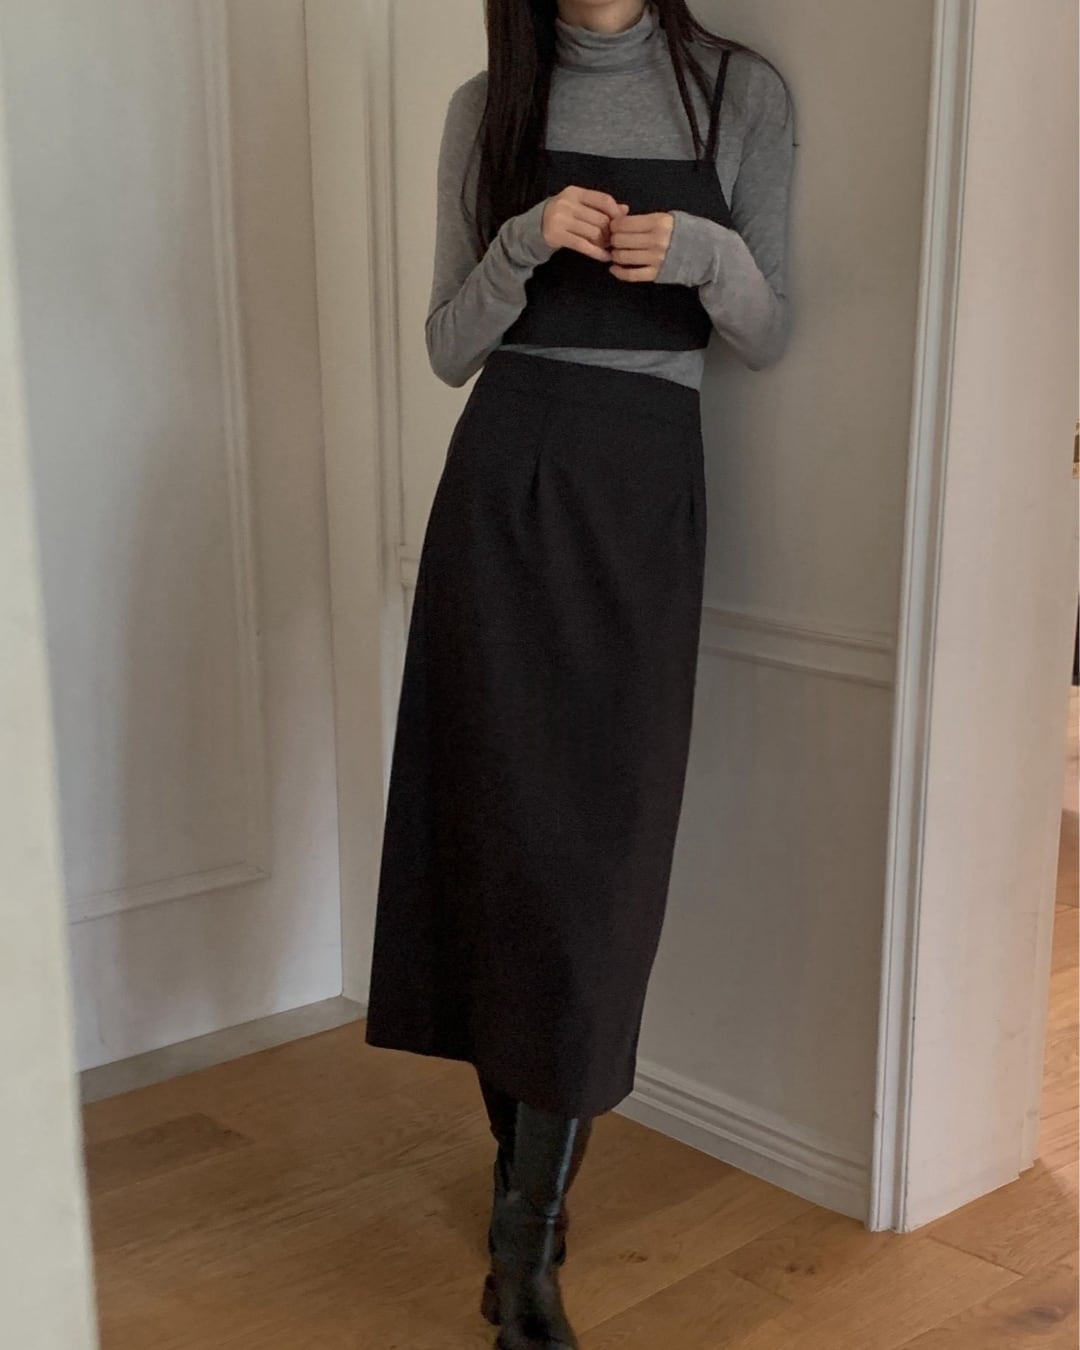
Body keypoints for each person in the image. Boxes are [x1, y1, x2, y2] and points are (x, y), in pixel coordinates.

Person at [365, 2, 794, 1345]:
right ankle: (527, 1236)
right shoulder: (487, 104)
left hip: (641, 487)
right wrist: (519, 242)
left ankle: (526, 1224)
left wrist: (707, 252)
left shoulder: (739, 94)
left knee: (598, 861)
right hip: (504, 478)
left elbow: (766, 328)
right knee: (494, 839)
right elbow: (448, 347)